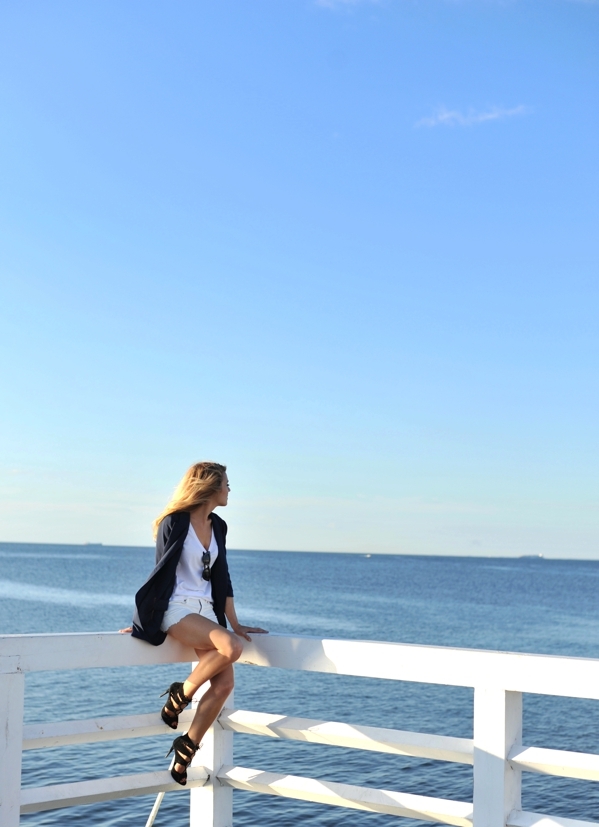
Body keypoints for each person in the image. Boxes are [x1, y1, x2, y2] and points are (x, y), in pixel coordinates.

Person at [128, 461, 267, 785]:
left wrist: (235, 622)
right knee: (231, 647)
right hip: (177, 609)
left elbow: (222, 577)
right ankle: (181, 694)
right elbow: (159, 573)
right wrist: (143, 619)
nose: (229, 489)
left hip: (207, 612)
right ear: (211, 487)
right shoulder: (174, 522)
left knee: (224, 685)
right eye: (226, 484)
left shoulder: (218, 526)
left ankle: (186, 747)